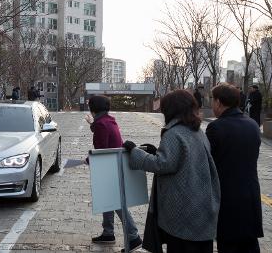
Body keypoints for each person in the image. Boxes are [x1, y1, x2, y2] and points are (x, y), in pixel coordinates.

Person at [123, 90, 220, 253]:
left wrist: (135, 152)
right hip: (202, 205)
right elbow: (179, 160)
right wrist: (155, 152)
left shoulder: (174, 133)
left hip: (184, 209)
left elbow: (162, 164)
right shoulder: (198, 131)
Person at [206, 83, 263, 253]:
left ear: (219, 102)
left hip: (228, 198)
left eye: (212, 100)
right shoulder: (252, 124)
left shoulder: (216, 127)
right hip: (251, 195)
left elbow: (207, 162)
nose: (211, 104)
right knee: (250, 245)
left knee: (229, 245)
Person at [85, 95, 142, 253]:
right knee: (107, 199)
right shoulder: (109, 120)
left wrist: (87, 160)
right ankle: (108, 233)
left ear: (93, 109)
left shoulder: (101, 124)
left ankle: (133, 236)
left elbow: (101, 150)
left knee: (115, 202)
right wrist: (92, 124)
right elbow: (101, 130)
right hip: (114, 165)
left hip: (108, 166)